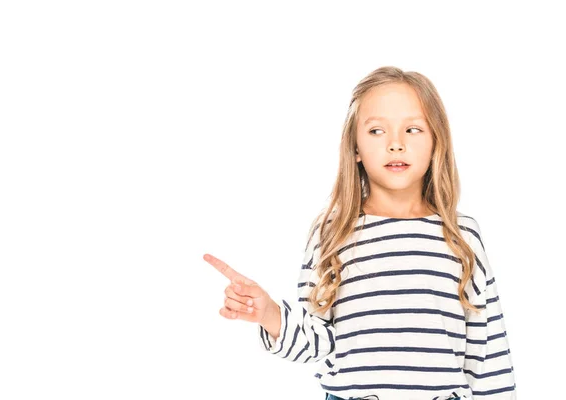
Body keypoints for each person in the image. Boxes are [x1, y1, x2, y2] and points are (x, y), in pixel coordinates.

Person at [203, 66, 517, 400]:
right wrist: (269, 314)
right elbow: (318, 341)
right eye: (377, 131)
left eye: (412, 129)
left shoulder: (461, 235)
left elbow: (488, 354)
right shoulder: (332, 232)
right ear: (355, 147)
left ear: (436, 139)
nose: (396, 144)